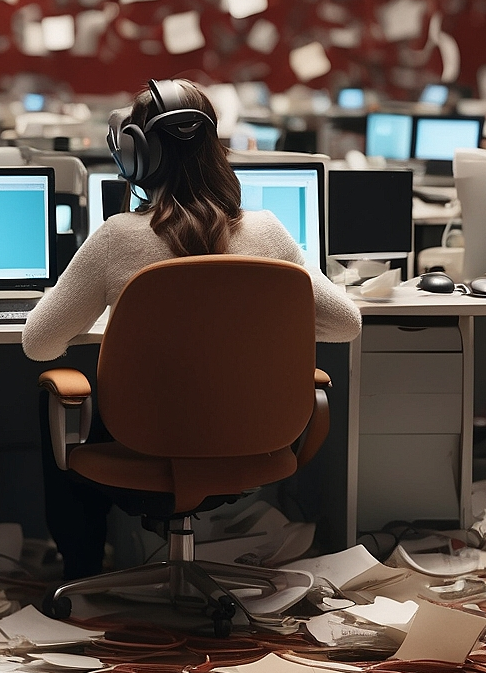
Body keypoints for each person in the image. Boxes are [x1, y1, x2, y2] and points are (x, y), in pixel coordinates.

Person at [22, 79, 361, 578]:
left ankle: (82, 571)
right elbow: (346, 323)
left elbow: (38, 342)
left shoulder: (117, 238)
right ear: (214, 150)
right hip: (252, 439)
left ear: (136, 154)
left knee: (57, 397)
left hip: (141, 438)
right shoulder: (266, 231)